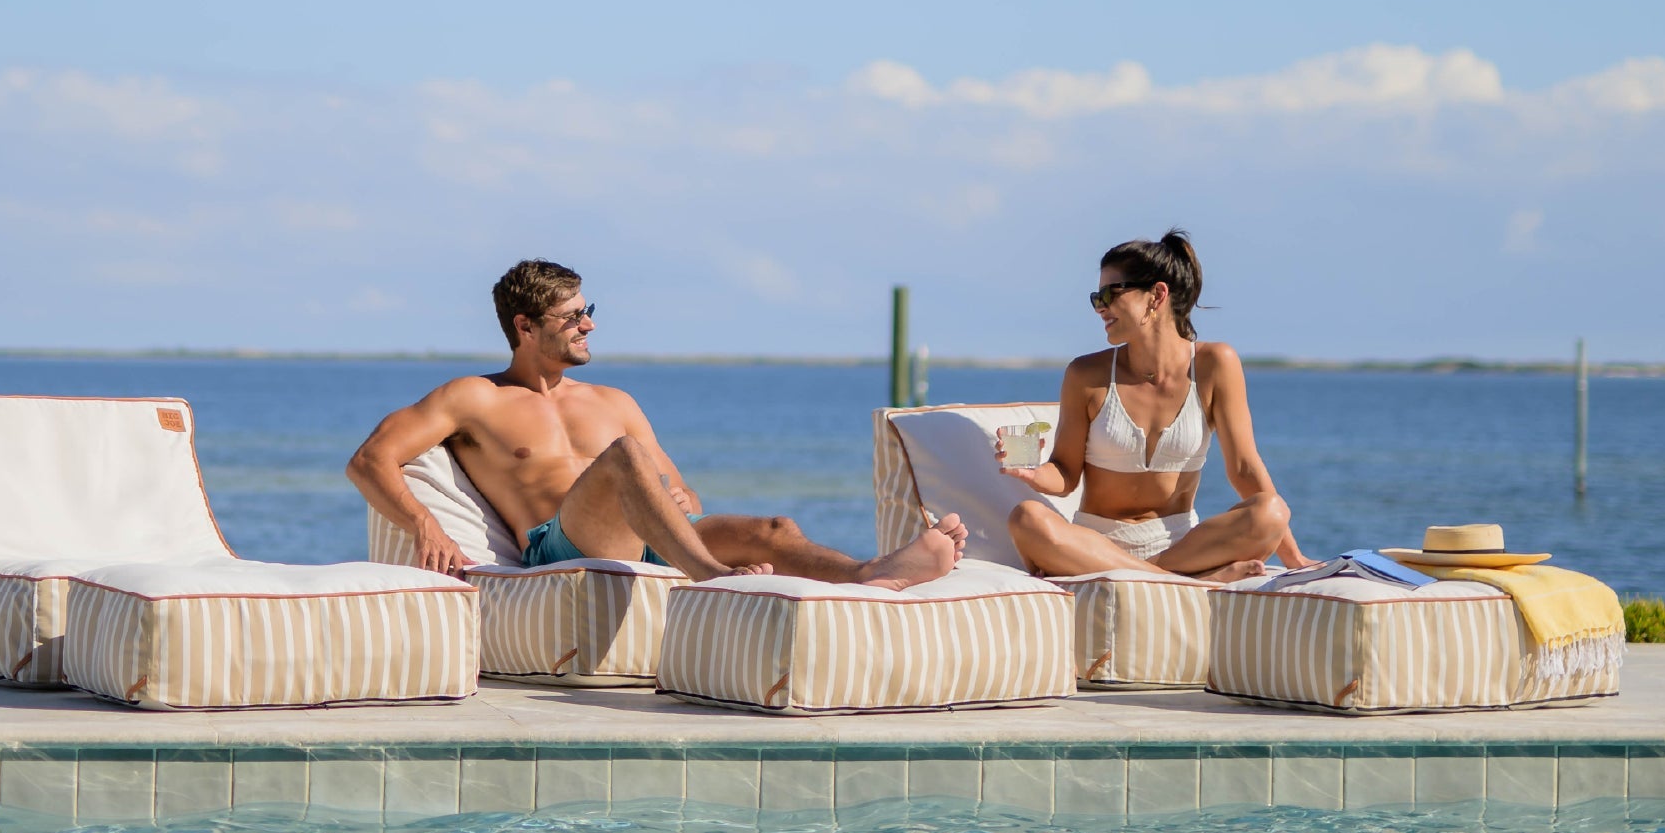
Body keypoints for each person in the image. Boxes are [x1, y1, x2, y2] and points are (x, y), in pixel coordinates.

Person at [349, 259, 967, 586]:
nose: (588, 324)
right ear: (525, 327)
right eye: (571, 317)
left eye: (587, 310)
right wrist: (424, 524)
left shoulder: (614, 400)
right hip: (562, 543)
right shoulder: (476, 397)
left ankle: (873, 574)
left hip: (655, 537)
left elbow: (683, 491)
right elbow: (369, 459)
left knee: (774, 527)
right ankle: (710, 579)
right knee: (622, 459)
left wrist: (682, 496)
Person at [1000, 231, 1312, 583]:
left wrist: (1293, 556)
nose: (1100, 307)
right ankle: (1190, 581)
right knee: (1026, 518)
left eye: (1108, 294)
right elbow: (1065, 474)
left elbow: (1244, 468)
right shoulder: (1085, 373)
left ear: (1157, 296)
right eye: (1095, 297)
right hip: (1095, 543)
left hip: (1181, 544)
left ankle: (1153, 574)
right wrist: (1033, 472)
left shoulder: (1215, 364)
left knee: (1271, 511)